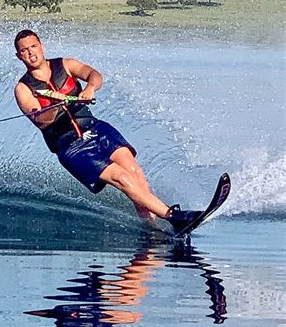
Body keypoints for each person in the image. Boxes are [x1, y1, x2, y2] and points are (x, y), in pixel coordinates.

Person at [13, 29, 202, 232]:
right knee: (122, 178)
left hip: (96, 129)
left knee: (134, 172)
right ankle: (173, 216)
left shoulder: (66, 65)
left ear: (41, 46)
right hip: (72, 148)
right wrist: (57, 104)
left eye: (33, 46)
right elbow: (42, 120)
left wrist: (90, 88)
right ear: (19, 56)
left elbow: (94, 75)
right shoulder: (23, 89)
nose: (31, 53)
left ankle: (154, 229)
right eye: (24, 50)